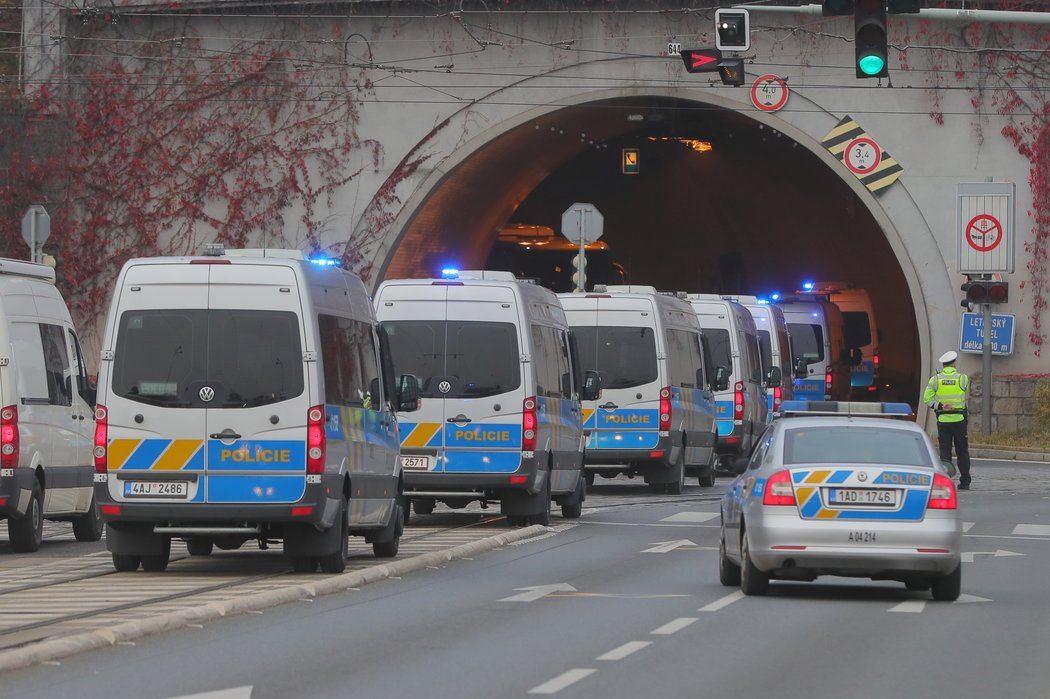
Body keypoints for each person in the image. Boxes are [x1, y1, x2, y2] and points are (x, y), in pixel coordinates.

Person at [923, 350, 972, 489]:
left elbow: (927, 399)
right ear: (954, 363)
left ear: (943, 365)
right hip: (959, 420)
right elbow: (966, 392)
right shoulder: (962, 378)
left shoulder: (935, 380)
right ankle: (965, 482)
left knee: (945, 452)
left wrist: (940, 406)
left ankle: (946, 482)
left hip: (943, 421)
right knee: (962, 451)